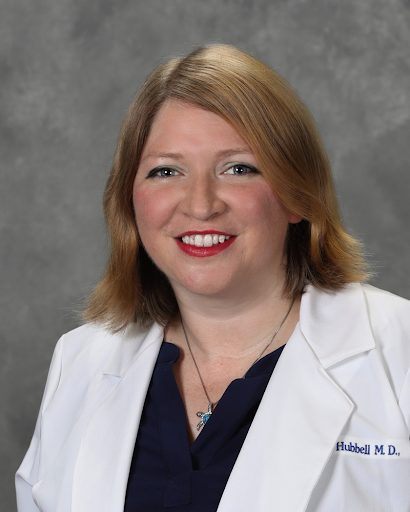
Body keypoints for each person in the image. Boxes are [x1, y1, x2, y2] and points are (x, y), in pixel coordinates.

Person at [16, 44, 410, 512]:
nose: (200, 205)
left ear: (297, 195)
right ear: (130, 200)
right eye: (166, 171)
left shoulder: (399, 352)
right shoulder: (79, 361)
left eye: (238, 168)